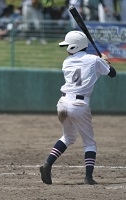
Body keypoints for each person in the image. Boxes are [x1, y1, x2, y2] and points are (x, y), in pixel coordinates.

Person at [39, 31, 116, 185]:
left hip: (62, 103)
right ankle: (88, 177)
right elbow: (112, 74)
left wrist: (100, 61)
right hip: (79, 104)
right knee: (89, 143)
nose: (67, 48)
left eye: (68, 45)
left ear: (75, 46)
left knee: (68, 137)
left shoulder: (66, 61)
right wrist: (106, 61)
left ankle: (48, 164)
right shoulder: (94, 60)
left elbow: (87, 65)